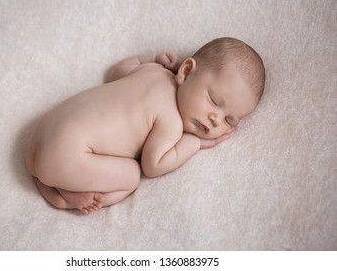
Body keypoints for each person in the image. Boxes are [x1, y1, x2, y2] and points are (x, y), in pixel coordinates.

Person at [26, 37, 265, 214]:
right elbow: (153, 165)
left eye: (228, 120)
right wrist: (193, 143)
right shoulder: (170, 121)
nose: (215, 119)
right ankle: (64, 195)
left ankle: (45, 177)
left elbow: (115, 72)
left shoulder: (153, 71)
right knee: (131, 176)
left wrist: (151, 58)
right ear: (187, 70)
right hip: (65, 157)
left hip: (43, 129)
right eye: (213, 101)